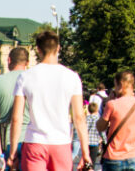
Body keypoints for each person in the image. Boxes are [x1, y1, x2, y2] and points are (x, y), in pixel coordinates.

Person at [9, 30, 91, 171]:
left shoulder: (25, 77)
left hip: (34, 142)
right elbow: (79, 117)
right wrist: (85, 152)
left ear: (38, 49)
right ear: (58, 48)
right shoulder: (72, 77)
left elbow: (17, 118)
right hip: (61, 143)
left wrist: (13, 151)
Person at [98, 71, 135, 171]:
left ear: (120, 84)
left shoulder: (112, 104)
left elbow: (100, 127)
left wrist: (108, 102)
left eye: (115, 85)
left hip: (114, 157)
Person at [0, 47, 31, 155]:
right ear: (27, 62)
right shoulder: (34, 82)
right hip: (28, 139)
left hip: (3, 141)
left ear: (9, 60)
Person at [84, 103, 102, 169]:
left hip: (86, 142)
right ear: (97, 110)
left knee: (86, 161)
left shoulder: (86, 118)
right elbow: (101, 130)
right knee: (93, 161)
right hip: (95, 142)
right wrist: (104, 140)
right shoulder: (98, 119)